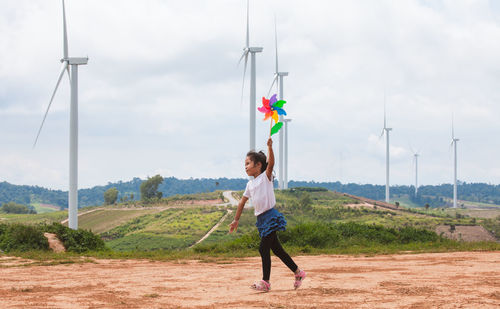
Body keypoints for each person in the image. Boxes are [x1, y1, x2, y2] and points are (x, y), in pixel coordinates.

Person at [229, 137, 306, 292]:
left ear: (258, 165)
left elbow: (271, 164)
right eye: (244, 164)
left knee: (263, 248)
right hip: (261, 220)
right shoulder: (250, 185)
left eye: (248, 163)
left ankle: (266, 282)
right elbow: (242, 202)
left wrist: (270, 147)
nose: (245, 167)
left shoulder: (266, 177)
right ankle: (298, 273)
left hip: (270, 216)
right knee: (277, 250)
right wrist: (236, 220)